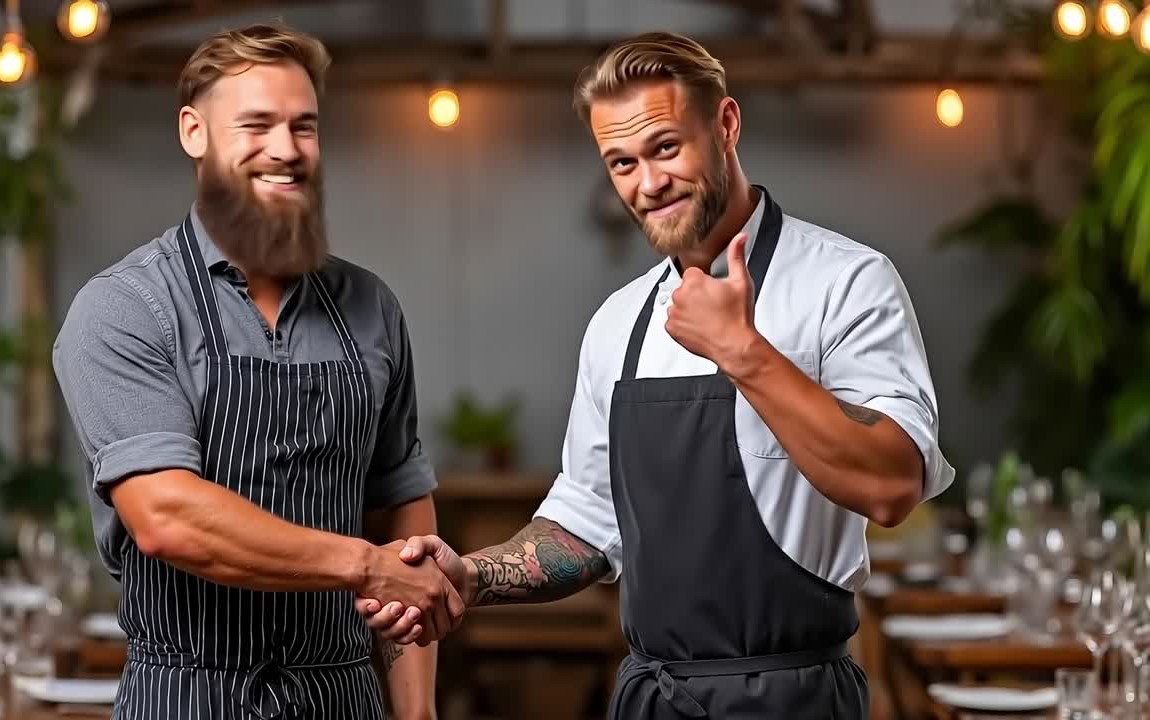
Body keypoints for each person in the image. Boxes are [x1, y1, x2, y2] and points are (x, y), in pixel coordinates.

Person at [357, 31, 955, 718]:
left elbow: (891, 485)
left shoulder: (845, 283)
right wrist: (473, 575)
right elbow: (585, 523)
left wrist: (743, 353)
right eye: (622, 163)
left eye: (666, 148)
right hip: (654, 699)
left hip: (796, 697)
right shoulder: (618, 324)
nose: (647, 184)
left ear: (725, 124)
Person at [53, 23, 460, 720]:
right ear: (194, 132)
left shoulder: (370, 307)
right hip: (186, 696)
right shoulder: (128, 307)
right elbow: (168, 517)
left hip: (342, 699)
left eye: (304, 127)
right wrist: (364, 565)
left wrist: (416, 714)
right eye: (257, 124)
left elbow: (402, 520)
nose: (286, 149)